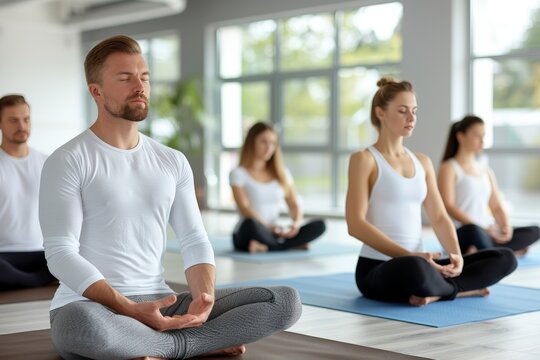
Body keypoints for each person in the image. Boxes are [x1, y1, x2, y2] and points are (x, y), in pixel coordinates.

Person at [39, 35, 301, 360]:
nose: (140, 86)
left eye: (144, 76)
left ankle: (165, 345)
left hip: (162, 301)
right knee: (84, 328)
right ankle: (196, 344)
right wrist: (130, 309)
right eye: (125, 78)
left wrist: (202, 299)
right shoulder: (68, 159)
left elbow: (193, 238)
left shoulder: (171, 160)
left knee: (285, 301)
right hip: (93, 306)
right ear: (96, 91)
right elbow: (60, 253)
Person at [345, 77, 517, 306]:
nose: (411, 118)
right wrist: (409, 255)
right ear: (380, 113)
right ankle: (461, 290)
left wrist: (456, 256)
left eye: (414, 111)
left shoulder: (422, 162)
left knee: (505, 257)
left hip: (423, 263)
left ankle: (438, 291)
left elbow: (438, 216)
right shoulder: (364, 159)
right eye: (403, 111)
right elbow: (355, 225)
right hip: (379, 267)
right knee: (415, 268)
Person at [438, 115, 539, 256]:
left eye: (483, 136)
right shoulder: (449, 167)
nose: (482, 140)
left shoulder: (486, 170)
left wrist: (505, 227)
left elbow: (496, 206)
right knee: (473, 230)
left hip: (490, 232)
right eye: (477, 136)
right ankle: (505, 252)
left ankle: (486, 251)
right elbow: (448, 205)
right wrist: (482, 229)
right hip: (465, 232)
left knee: (535, 230)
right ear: (461, 137)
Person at [230, 121, 326, 253]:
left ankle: (268, 246)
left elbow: (294, 204)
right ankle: (288, 245)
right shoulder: (238, 173)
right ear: (251, 142)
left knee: (320, 225)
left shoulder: (282, 174)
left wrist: (295, 225)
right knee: (250, 224)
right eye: (263, 142)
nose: (268, 147)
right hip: (251, 232)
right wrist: (269, 227)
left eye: (273, 143)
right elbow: (244, 208)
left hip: (275, 233)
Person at [0, 94, 56, 290]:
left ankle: (34, 279)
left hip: (43, 253)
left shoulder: (48, 163)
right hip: (4, 255)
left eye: (26, 119)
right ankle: (42, 279)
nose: (22, 126)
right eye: (13, 120)